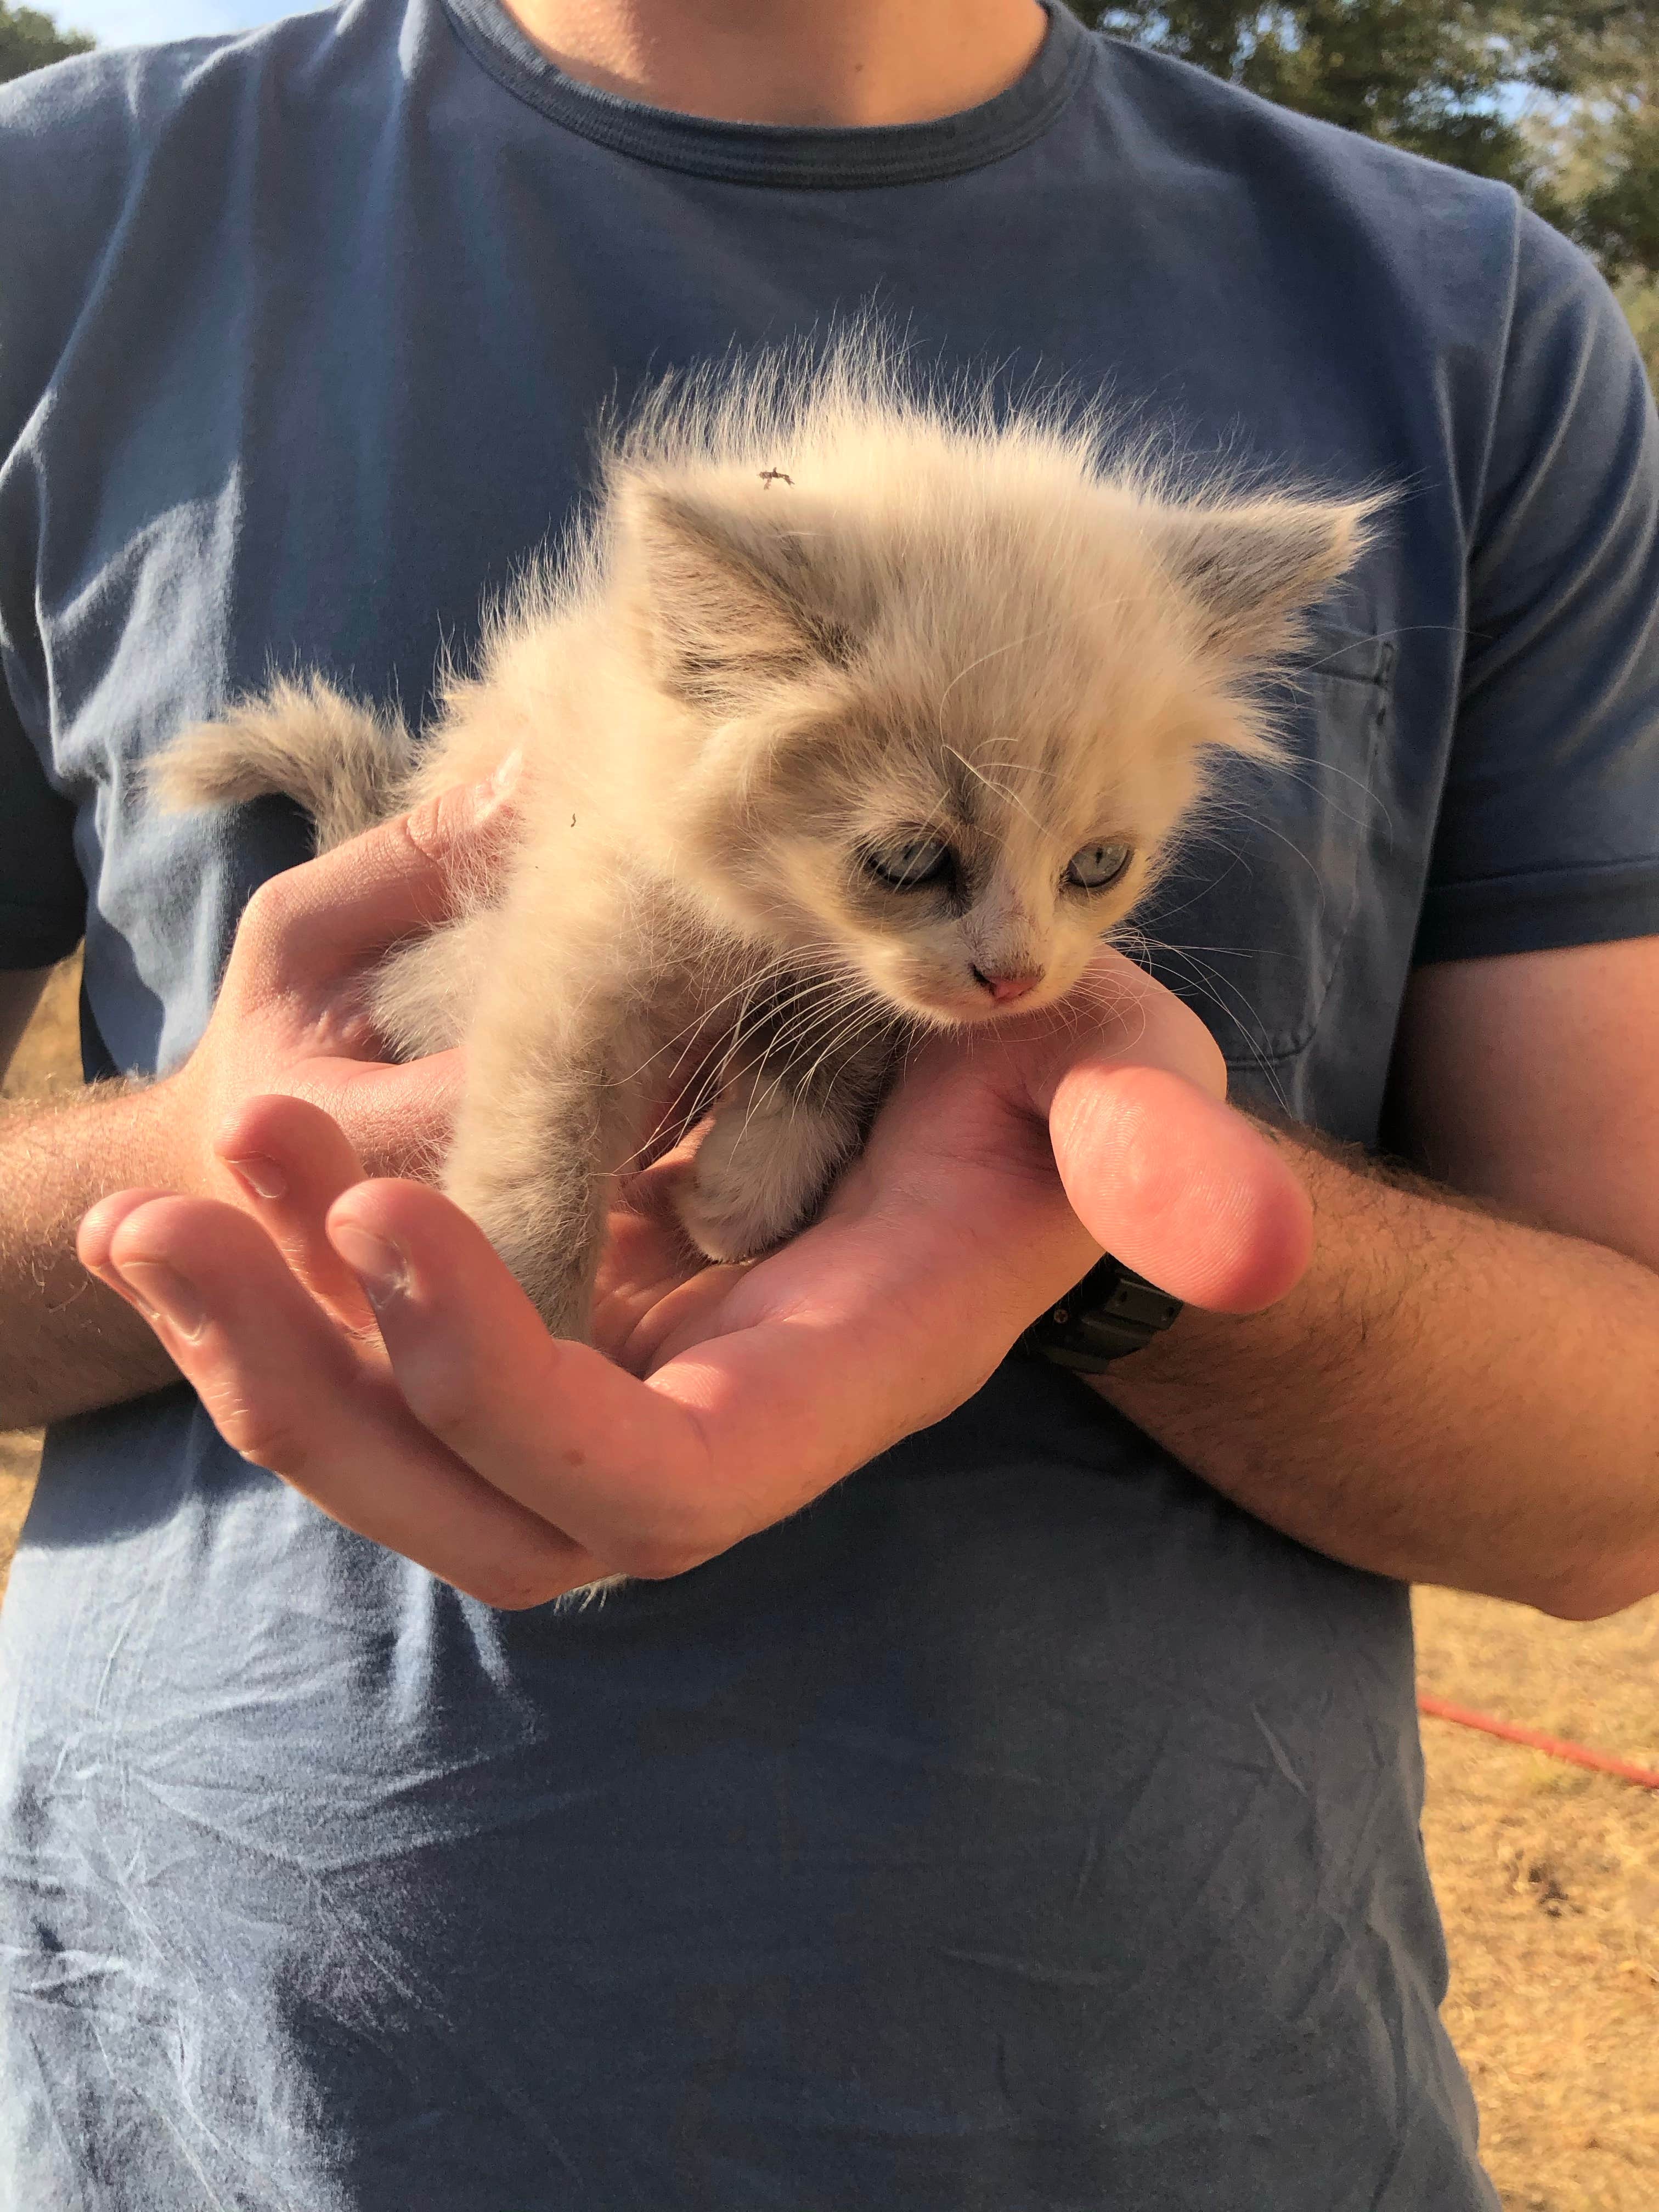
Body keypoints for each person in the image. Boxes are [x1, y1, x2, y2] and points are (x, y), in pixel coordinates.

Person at [2, 0, 1657, 2201]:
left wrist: (1096, 1247)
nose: (1017, 964)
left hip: (1164, 2116)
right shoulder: (62, 214)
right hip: (219, 2105)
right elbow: (582, 1019)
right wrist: (219, 1163)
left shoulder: (1477, 320)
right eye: (923, 868)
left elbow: (1613, 1488)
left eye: (1099, 878)